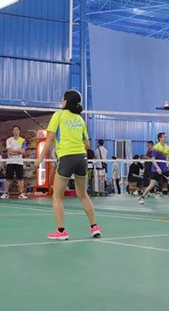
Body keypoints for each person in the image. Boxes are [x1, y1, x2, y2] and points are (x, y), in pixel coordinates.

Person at [36, 89, 100, 240]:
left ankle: (61, 231)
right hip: (82, 158)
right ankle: (94, 227)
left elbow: (50, 138)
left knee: (57, 196)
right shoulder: (80, 119)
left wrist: (40, 158)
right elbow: (88, 145)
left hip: (66, 158)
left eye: (62, 99)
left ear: (66, 101)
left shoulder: (58, 115)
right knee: (83, 194)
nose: (61, 101)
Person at [138, 133, 169, 205]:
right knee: (151, 185)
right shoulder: (156, 147)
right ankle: (142, 197)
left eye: (166, 137)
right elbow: (153, 159)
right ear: (160, 138)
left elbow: (168, 157)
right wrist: (158, 168)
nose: (166, 138)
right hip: (156, 170)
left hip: (164, 169)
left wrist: (168, 165)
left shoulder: (167, 147)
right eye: (164, 137)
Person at [2, 126, 27, 199]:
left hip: (19, 162)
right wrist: (18, 151)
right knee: (8, 178)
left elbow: (23, 151)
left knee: (20, 178)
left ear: (19, 131)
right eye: (14, 130)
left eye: (17, 130)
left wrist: (14, 151)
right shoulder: (9, 140)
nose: (15, 131)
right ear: (12, 131)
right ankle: (6, 193)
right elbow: (9, 151)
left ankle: (21, 193)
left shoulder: (22, 140)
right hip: (10, 162)